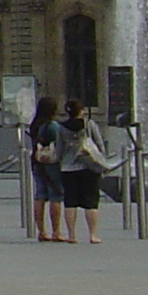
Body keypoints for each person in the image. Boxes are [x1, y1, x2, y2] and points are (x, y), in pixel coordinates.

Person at [55, 97, 110, 243]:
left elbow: (59, 151)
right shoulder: (89, 124)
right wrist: (102, 159)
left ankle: (72, 235)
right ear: (81, 111)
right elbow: (99, 144)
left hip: (68, 168)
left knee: (70, 201)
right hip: (89, 167)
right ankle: (92, 234)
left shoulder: (61, 128)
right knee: (91, 201)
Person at [27, 94, 64, 242]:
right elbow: (59, 143)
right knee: (55, 195)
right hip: (51, 163)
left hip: (37, 161)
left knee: (40, 195)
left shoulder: (34, 124)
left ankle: (41, 231)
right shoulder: (53, 126)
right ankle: (56, 231)